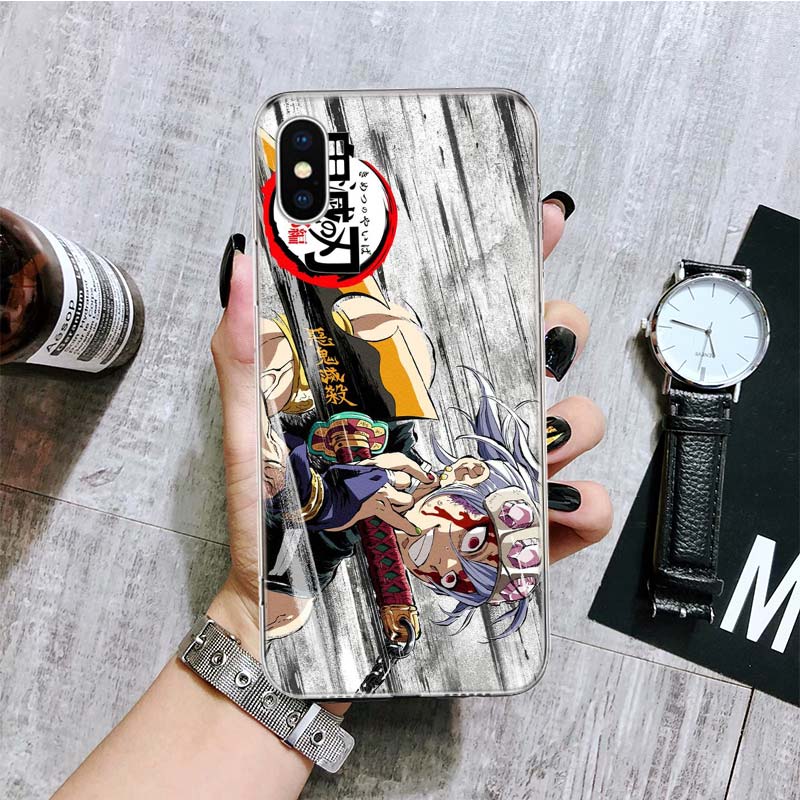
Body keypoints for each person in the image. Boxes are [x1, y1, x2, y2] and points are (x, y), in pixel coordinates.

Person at [53, 196, 612, 800]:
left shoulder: (324, 562)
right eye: (472, 541)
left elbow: (296, 554)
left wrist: (265, 619)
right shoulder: (410, 402)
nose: (443, 562)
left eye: (454, 581)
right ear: (469, 470)